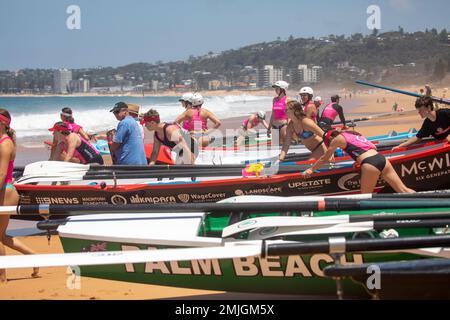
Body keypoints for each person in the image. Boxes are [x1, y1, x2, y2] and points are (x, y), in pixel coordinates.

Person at [303, 129, 415, 194]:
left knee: (365, 198)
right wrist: (357, 160)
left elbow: (324, 158)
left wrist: (311, 169)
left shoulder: (337, 139)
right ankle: (426, 206)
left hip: (370, 163)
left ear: (331, 138)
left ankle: (370, 222)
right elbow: (369, 149)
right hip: (382, 159)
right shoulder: (352, 134)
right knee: (403, 190)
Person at [0, 109, 39, 284]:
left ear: (2, 123)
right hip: (5, 190)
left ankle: (2, 276)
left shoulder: (5, 144)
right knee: (2, 237)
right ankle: (34, 258)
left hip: (5, 191)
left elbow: (1, 174)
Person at [268, 81, 289, 146]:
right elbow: (273, 114)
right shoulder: (274, 99)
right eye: (275, 88)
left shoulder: (287, 100)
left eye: (277, 88)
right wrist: (269, 128)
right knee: (275, 145)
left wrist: (289, 127)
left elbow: (290, 116)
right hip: (274, 126)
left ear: (283, 89)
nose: (275, 90)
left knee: (284, 145)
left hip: (283, 125)